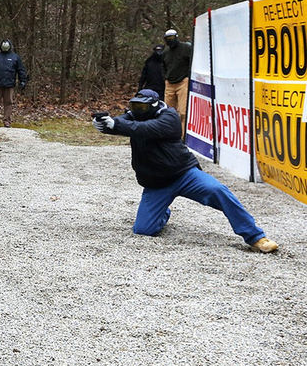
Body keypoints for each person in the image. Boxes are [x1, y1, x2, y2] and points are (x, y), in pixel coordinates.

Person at [93, 89, 278, 253]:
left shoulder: (170, 118)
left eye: (142, 107)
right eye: (135, 107)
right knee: (143, 230)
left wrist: (116, 125)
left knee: (219, 191)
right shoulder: (135, 117)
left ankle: (255, 237)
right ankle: (163, 212)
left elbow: (145, 129)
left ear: (154, 106)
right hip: (157, 185)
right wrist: (104, 124)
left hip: (185, 175)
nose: (137, 111)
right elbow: (122, 122)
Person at [0, 39, 29, 128]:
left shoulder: (15, 57)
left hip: (9, 85)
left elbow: (21, 70)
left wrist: (23, 80)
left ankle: (7, 121)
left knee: (8, 103)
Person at [161, 29, 192, 139]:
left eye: (172, 38)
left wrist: (188, 76)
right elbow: (163, 66)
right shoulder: (165, 52)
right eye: (167, 39)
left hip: (183, 82)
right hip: (170, 83)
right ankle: (170, 136)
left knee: (183, 112)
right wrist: (165, 78)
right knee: (168, 112)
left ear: (176, 37)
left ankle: (182, 137)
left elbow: (192, 62)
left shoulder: (186, 48)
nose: (170, 41)